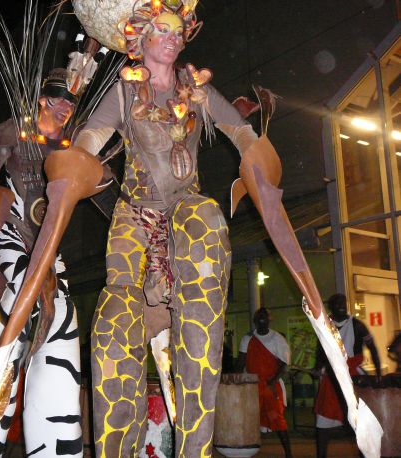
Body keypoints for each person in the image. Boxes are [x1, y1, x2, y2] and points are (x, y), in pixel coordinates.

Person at [66, 1, 262, 455]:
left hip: (184, 211)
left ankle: (197, 446)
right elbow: (93, 135)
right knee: (114, 320)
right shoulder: (123, 92)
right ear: (141, 37)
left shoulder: (195, 89)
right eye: (162, 30)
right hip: (134, 218)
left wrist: (256, 154)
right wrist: (76, 158)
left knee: (206, 229)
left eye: (178, 31)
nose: (173, 39)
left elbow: (238, 130)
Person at [0, 68, 83, 458]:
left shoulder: (71, 144)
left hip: (47, 246)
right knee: (25, 293)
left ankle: (55, 434)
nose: (64, 107)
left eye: (70, 102)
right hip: (11, 235)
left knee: (62, 311)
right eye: (57, 98)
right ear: (42, 98)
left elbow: (98, 184)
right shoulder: (15, 131)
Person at [311, 293, 381, 458]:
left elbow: (372, 347)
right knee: (322, 422)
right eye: (337, 303)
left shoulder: (357, 325)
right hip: (331, 378)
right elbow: (320, 352)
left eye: (343, 303)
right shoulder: (324, 325)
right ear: (331, 307)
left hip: (353, 376)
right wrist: (317, 368)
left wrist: (378, 372)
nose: (342, 306)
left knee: (361, 421)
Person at [237, 308, 292, 458]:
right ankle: (247, 451)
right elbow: (241, 362)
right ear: (255, 321)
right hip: (252, 386)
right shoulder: (247, 339)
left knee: (277, 419)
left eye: (264, 316)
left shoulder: (277, 339)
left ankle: (289, 453)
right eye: (259, 317)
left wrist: (273, 381)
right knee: (251, 419)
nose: (262, 319)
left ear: (269, 319)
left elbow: (284, 363)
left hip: (270, 387)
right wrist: (236, 382)